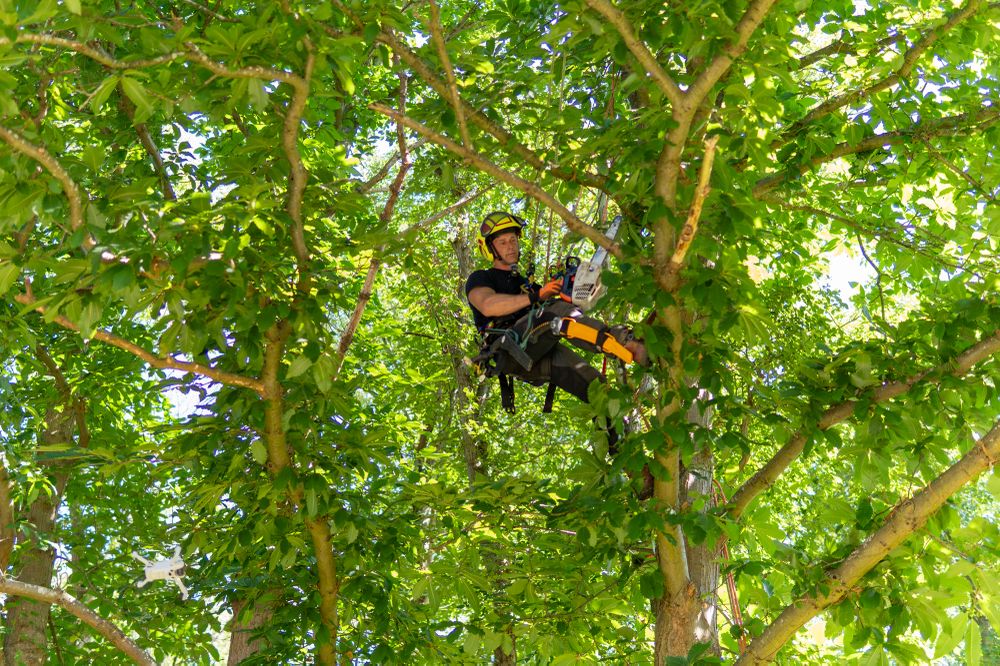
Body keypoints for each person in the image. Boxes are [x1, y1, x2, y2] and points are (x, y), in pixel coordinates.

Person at [465, 211, 648, 415]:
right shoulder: (481, 278)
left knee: (596, 387)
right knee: (555, 314)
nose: (510, 246)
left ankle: (617, 436)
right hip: (509, 348)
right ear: (490, 249)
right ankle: (625, 341)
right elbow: (488, 305)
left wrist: (570, 290)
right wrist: (538, 297)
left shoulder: (529, 285)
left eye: (513, 239)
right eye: (502, 242)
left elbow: (566, 311)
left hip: (538, 351)